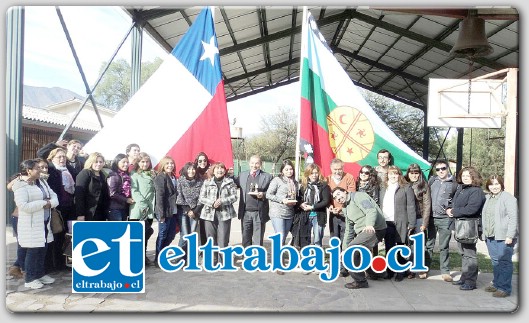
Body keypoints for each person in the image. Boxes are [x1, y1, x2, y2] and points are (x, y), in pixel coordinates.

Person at [12, 159, 59, 289]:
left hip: (44, 222)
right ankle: (30, 278)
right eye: (38, 168)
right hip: (31, 224)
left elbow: (53, 195)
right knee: (33, 251)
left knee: (42, 250)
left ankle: (39, 274)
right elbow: (23, 206)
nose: (41, 170)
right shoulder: (21, 185)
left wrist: (50, 203)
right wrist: (44, 203)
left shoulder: (42, 181)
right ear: (29, 170)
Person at [332, 187, 387, 289]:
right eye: (335, 197)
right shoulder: (345, 208)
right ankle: (376, 273)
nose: (338, 198)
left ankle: (360, 281)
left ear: (345, 191)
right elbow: (349, 230)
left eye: (339, 194)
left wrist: (370, 224)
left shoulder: (358, 196)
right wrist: (344, 249)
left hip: (375, 228)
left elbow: (371, 210)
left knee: (352, 250)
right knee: (357, 252)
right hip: (363, 232)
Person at [447, 166, 486, 291]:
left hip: (469, 226)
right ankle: (464, 277)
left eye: (468, 176)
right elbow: (455, 204)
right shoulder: (461, 188)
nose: (465, 178)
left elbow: (471, 209)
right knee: (463, 253)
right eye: (463, 176)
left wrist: (453, 211)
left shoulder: (476, 191)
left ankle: (470, 281)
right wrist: (450, 209)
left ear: (473, 177)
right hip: (460, 225)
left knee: (470, 254)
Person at [481, 174, 518, 298]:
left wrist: (510, 236)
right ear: (488, 186)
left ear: (501, 184)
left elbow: (514, 218)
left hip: (504, 236)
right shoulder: (487, 198)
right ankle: (496, 284)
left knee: (505, 262)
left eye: (497, 184)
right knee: (495, 261)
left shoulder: (509, 198)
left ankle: (505, 288)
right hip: (490, 235)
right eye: (491, 184)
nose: (494, 186)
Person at [379, 165, 416, 282]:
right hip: (386, 221)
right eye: (390, 174)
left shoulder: (406, 187)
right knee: (389, 247)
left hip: (400, 221)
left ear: (399, 175)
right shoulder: (383, 187)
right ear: (387, 175)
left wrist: (412, 223)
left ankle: (401, 271)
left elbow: (411, 206)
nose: (393, 176)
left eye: (395, 173)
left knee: (400, 246)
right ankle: (390, 271)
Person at [198, 162, 238, 264]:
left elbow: (234, 196)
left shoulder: (230, 182)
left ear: (225, 171)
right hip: (209, 214)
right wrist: (212, 203)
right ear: (213, 170)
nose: (219, 170)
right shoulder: (207, 182)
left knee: (223, 238)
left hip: (224, 214)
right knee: (210, 238)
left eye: (221, 168)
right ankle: (213, 259)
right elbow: (202, 197)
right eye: (217, 168)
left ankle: (223, 260)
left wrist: (222, 201)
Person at [426, 159, 458, 282]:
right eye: (438, 169)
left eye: (443, 168)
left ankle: (445, 271)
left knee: (444, 246)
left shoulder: (454, 183)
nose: (441, 171)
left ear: (448, 168)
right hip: (431, 218)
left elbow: (457, 200)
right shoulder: (432, 181)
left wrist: (452, 210)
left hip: (445, 219)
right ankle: (425, 269)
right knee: (429, 245)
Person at [45, 148, 76, 271]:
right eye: (59, 157)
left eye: (64, 157)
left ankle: (62, 262)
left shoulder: (70, 170)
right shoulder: (51, 170)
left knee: (66, 237)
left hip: (69, 206)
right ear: (52, 159)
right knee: (55, 236)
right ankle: (52, 264)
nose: (62, 159)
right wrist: (56, 144)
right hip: (56, 208)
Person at [234, 155, 273, 248]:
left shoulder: (267, 176)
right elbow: (231, 183)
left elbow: (272, 192)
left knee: (258, 238)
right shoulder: (242, 175)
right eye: (252, 163)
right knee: (245, 238)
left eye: (257, 163)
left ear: (261, 164)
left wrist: (263, 194)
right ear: (249, 163)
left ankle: (257, 258)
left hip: (259, 212)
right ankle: (247, 257)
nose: (254, 165)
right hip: (245, 212)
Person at [404, 163, 431, 279]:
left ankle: (420, 268)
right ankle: (410, 269)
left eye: (416, 173)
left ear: (419, 174)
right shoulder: (404, 184)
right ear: (408, 173)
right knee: (408, 245)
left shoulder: (424, 185)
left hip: (419, 218)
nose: (414, 175)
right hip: (406, 218)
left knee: (419, 245)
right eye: (412, 173)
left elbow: (427, 205)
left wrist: (424, 223)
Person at [129, 152, 156, 265]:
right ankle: (136, 258)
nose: (145, 164)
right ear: (138, 162)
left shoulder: (152, 174)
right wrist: (143, 205)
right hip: (139, 210)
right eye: (142, 162)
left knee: (145, 236)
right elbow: (134, 191)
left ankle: (143, 256)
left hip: (149, 210)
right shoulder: (134, 174)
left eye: (147, 162)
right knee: (138, 235)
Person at [296, 163, 330, 248]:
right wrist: (301, 204)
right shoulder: (303, 186)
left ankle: (317, 256)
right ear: (308, 174)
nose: (314, 175)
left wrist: (312, 207)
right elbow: (299, 198)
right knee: (304, 238)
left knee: (317, 239)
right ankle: (306, 256)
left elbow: (326, 201)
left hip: (318, 215)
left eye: (316, 173)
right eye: (311, 173)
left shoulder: (324, 186)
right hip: (305, 215)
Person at [266, 159, 299, 246]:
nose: (289, 171)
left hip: (289, 213)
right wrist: (282, 200)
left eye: (291, 169)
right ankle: (277, 257)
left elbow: (296, 196)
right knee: (280, 236)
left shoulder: (295, 182)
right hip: (277, 213)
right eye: (286, 169)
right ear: (282, 171)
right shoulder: (277, 180)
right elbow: (268, 194)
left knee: (284, 237)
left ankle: (280, 254)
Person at [176, 162, 205, 262]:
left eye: (193, 169)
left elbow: (202, 198)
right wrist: (188, 210)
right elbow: (179, 197)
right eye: (189, 169)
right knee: (184, 235)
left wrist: (195, 211)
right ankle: (179, 257)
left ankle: (190, 258)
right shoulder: (181, 180)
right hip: (184, 212)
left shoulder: (200, 181)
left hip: (196, 212)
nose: (191, 171)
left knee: (192, 234)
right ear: (185, 170)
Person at [154, 156, 180, 264]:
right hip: (164, 212)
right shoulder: (161, 177)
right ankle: (158, 259)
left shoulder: (174, 177)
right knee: (162, 235)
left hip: (173, 212)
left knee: (171, 234)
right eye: (167, 163)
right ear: (163, 165)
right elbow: (160, 197)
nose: (170, 165)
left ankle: (163, 253)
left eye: (172, 163)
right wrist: (161, 214)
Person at [326, 158, 356, 244]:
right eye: (335, 169)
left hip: (346, 212)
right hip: (333, 213)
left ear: (343, 168)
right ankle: (336, 256)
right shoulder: (327, 180)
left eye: (340, 169)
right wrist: (329, 206)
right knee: (334, 236)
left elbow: (351, 195)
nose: (337, 171)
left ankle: (344, 255)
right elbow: (325, 196)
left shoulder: (349, 178)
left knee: (346, 236)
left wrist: (341, 208)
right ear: (331, 169)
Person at [74, 152, 110, 222]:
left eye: (101, 162)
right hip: (88, 213)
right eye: (96, 162)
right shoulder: (85, 173)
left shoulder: (103, 175)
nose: (99, 164)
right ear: (91, 162)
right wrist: (80, 214)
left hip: (101, 213)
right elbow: (79, 195)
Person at [7, 172, 29, 279]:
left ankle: (16, 267)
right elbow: (9, 186)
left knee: (25, 245)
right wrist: (21, 178)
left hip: (24, 218)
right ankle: (24, 270)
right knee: (23, 245)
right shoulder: (19, 186)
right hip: (19, 218)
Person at [107, 153, 135, 221]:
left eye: (127, 162)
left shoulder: (126, 175)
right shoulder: (113, 175)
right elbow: (112, 193)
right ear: (117, 163)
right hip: (115, 208)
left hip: (124, 207)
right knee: (117, 230)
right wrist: (126, 200)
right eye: (123, 162)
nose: (126, 164)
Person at [194, 152, 211, 246]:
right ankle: (199, 251)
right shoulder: (193, 172)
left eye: (204, 160)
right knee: (197, 230)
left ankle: (207, 249)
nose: (202, 162)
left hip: (208, 204)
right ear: (197, 161)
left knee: (207, 229)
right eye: (200, 160)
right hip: (196, 205)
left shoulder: (210, 172)